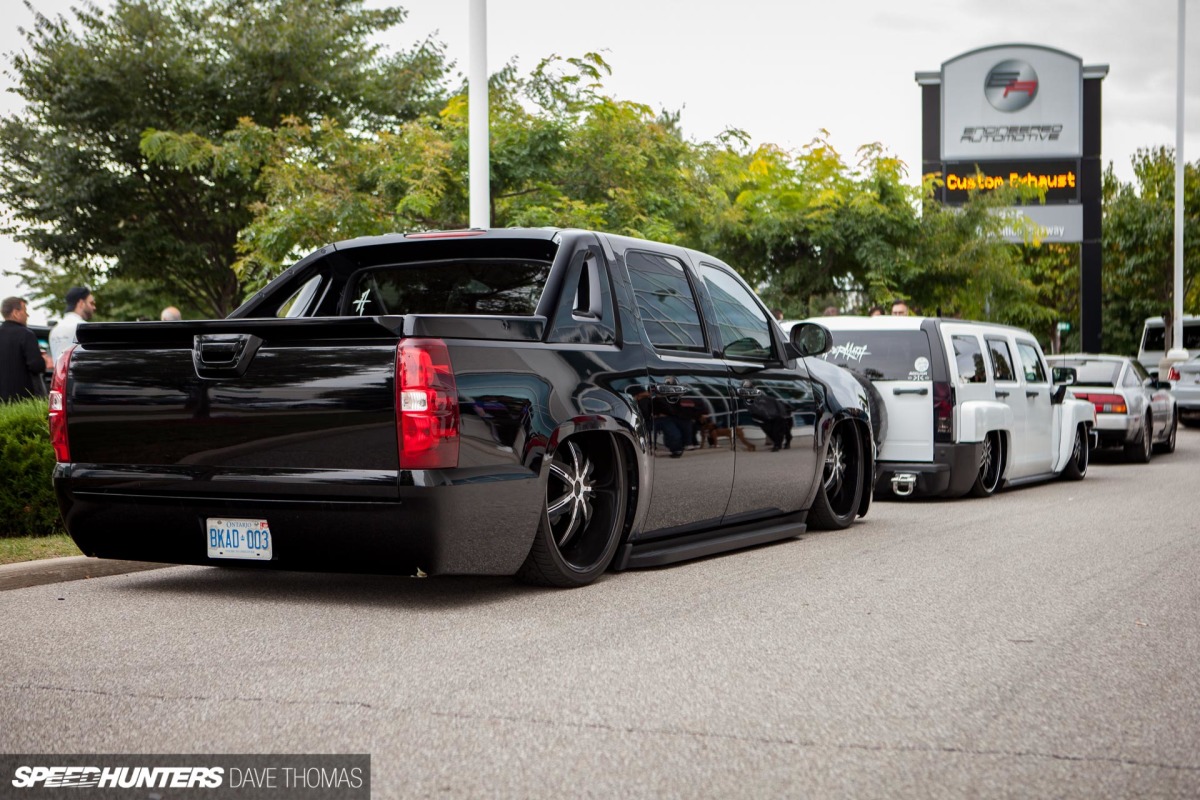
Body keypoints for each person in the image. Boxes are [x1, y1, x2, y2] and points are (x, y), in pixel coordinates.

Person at [0, 297, 52, 402]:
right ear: (15, 312)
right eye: (25, 310)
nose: (27, 315)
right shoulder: (26, 334)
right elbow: (36, 366)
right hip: (23, 402)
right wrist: (44, 360)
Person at [49, 286, 96, 364]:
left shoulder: (54, 330)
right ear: (81, 303)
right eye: (91, 303)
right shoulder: (85, 328)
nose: (94, 307)